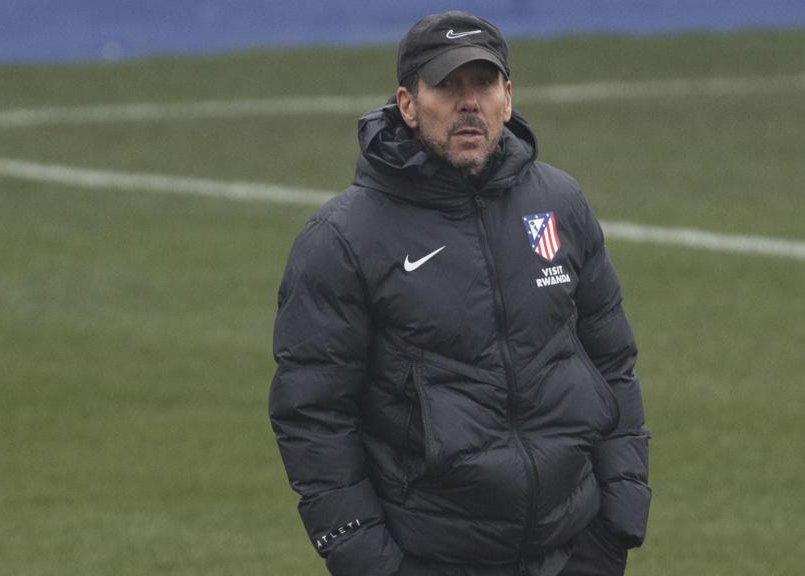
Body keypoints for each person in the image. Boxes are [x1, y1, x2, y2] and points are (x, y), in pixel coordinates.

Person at [269, 11, 650, 576]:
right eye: (447, 85)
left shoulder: (560, 204)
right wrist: (367, 559)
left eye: (484, 84)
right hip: (431, 556)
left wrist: (620, 513)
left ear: (508, 96)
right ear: (407, 102)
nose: (468, 102)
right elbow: (314, 416)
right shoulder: (343, 239)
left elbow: (611, 359)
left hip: (576, 549)